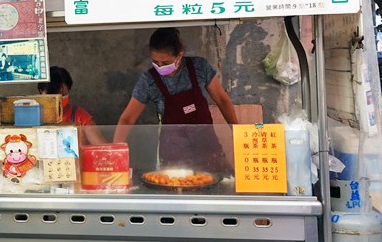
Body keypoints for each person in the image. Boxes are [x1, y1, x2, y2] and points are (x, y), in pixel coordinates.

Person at [114, 27, 238, 171]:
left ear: (180, 55)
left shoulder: (199, 67)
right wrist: (115, 152)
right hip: (174, 155)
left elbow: (222, 100)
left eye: (165, 63)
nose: (160, 67)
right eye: (155, 62)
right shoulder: (149, 80)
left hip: (207, 149)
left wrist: (237, 132)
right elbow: (127, 119)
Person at [38, 66, 107, 146]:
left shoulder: (82, 119)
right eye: (53, 95)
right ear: (41, 92)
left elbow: (103, 149)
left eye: (62, 95)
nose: (58, 99)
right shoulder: (34, 118)